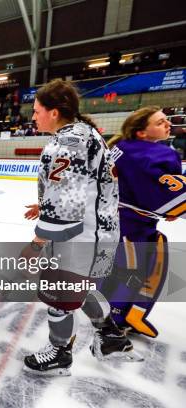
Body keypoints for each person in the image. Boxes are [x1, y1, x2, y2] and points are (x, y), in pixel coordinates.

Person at [21, 79, 142, 376]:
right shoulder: (85, 133)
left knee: (58, 296)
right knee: (81, 287)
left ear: (54, 112)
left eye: (37, 111)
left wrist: (36, 244)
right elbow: (80, 187)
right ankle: (110, 336)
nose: (33, 117)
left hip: (78, 235)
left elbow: (65, 205)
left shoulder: (67, 142)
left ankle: (60, 353)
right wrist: (44, 203)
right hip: (98, 231)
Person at [103, 107, 185, 337]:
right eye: (159, 122)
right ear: (142, 132)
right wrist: (173, 206)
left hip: (119, 219)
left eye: (166, 120)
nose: (167, 124)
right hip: (130, 224)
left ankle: (128, 313)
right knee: (132, 270)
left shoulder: (123, 147)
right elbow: (166, 195)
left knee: (136, 265)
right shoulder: (153, 154)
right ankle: (116, 317)